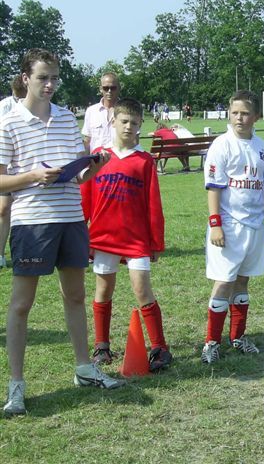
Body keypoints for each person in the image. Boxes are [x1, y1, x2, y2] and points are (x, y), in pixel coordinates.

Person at [0, 48, 125, 416]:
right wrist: (33, 177)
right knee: (22, 305)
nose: (50, 84)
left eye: (54, 77)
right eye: (43, 77)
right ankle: (16, 387)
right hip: (31, 221)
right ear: (26, 78)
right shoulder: (9, 122)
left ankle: (85, 368)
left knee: (75, 297)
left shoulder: (68, 119)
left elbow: (80, 174)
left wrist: (95, 166)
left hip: (72, 217)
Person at [84, 98, 172, 372]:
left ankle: (159, 348)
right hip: (103, 236)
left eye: (134, 123)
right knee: (103, 289)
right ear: (113, 121)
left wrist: (155, 240)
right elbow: (85, 197)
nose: (128, 127)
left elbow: (153, 204)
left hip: (135, 239)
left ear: (140, 125)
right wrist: (82, 236)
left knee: (142, 289)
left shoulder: (144, 161)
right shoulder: (99, 156)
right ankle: (102, 345)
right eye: (124, 121)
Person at [201, 90, 264, 364]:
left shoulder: (262, 147)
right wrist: (216, 225)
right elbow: (213, 188)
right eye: (235, 113)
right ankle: (211, 342)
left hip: (255, 225)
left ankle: (238, 336)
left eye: (245, 113)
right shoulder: (221, 145)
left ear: (256, 116)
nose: (239, 118)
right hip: (229, 225)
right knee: (224, 282)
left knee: (243, 281)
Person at [0, 75, 27, 270]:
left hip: (22, 167)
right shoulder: (4, 108)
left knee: (16, 210)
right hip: (5, 167)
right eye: (17, 97)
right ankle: (1, 254)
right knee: (3, 209)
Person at [82, 72, 120, 153]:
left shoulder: (126, 111)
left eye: (113, 88)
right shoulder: (91, 111)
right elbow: (87, 141)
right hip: (96, 162)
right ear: (100, 89)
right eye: (106, 88)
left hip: (119, 162)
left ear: (119, 88)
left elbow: (134, 141)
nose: (109, 91)